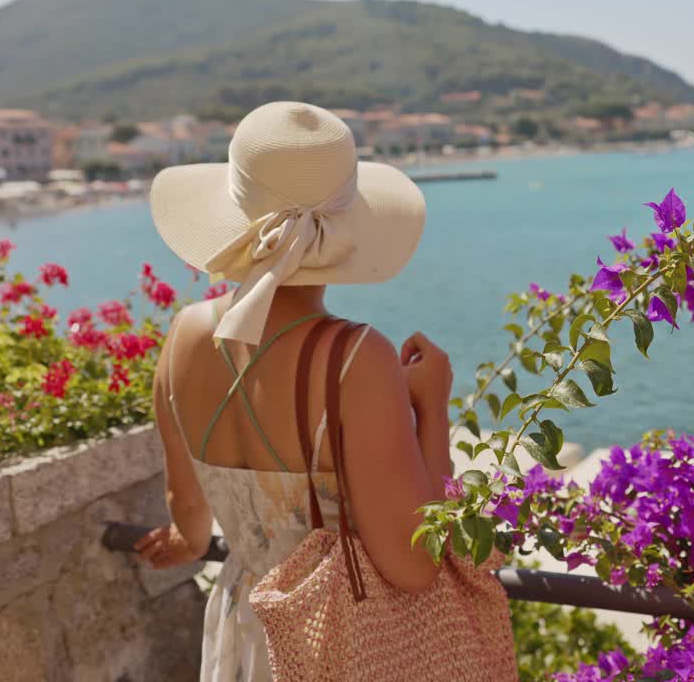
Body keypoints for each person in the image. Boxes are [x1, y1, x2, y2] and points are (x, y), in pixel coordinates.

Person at [135, 101, 455, 680]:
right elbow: (414, 565)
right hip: (333, 643)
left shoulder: (182, 335)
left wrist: (185, 543)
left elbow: (189, 514)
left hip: (247, 628)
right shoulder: (356, 359)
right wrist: (432, 408)